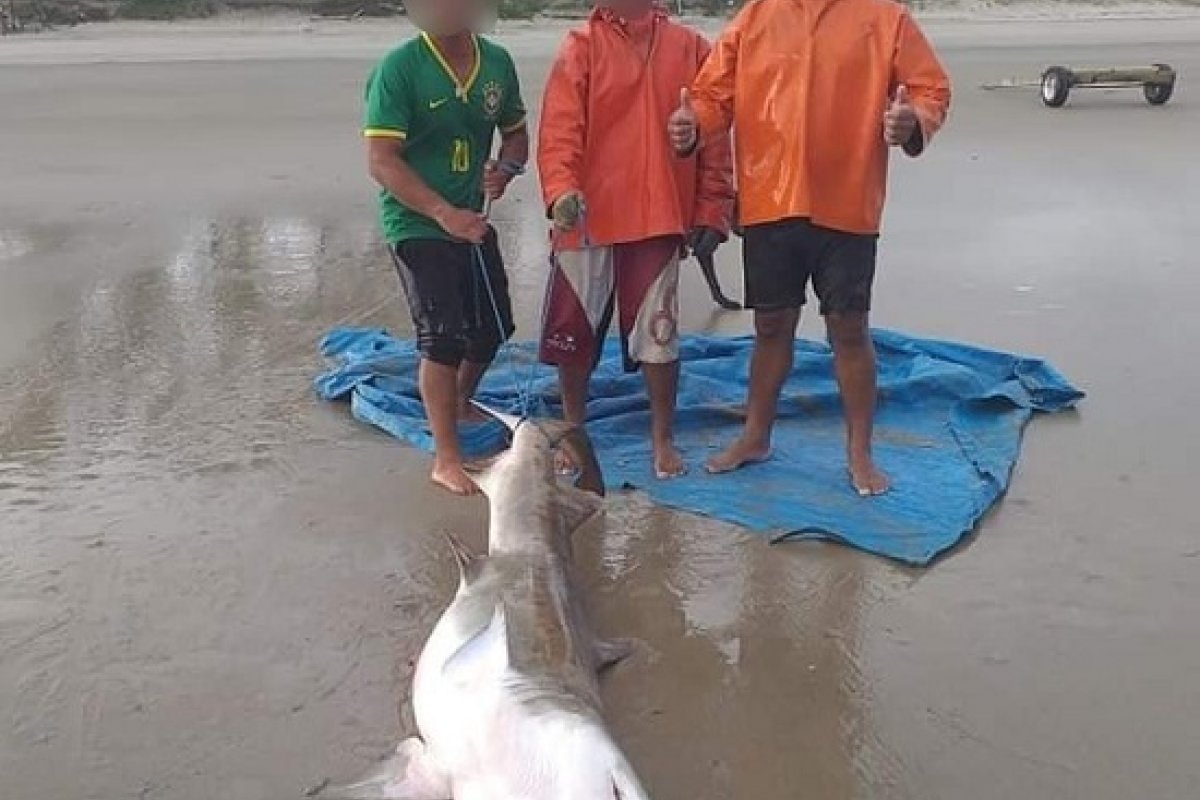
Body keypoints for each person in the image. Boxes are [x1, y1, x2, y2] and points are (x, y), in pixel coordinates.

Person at [668, 0, 951, 495]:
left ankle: (860, 453)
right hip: (769, 199)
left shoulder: (885, 17)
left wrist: (911, 122)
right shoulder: (756, 16)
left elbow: (931, 89)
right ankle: (755, 436)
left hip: (848, 200)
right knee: (770, 324)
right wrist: (693, 126)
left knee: (848, 327)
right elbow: (712, 96)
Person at [538, 0, 735, 479]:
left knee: (659, 335)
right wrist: (560, 192)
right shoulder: (580, 47)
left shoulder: (691, 48)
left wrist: (713, 208)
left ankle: (662, 437)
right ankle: (572, 428)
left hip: (659, 213)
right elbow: (560, 131)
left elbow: (714, 135)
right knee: (574, 332)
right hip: (586, 218)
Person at [363, 0, 529, 495]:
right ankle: (447, 456)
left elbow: (516, 134)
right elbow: (382, 161)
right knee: (443, 337)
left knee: (493, 327)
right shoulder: (400, 68)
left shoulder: (497, 62)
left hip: (472, 219)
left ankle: (460, 399)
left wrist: (506, 169)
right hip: (417, 220)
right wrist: (442, 212)